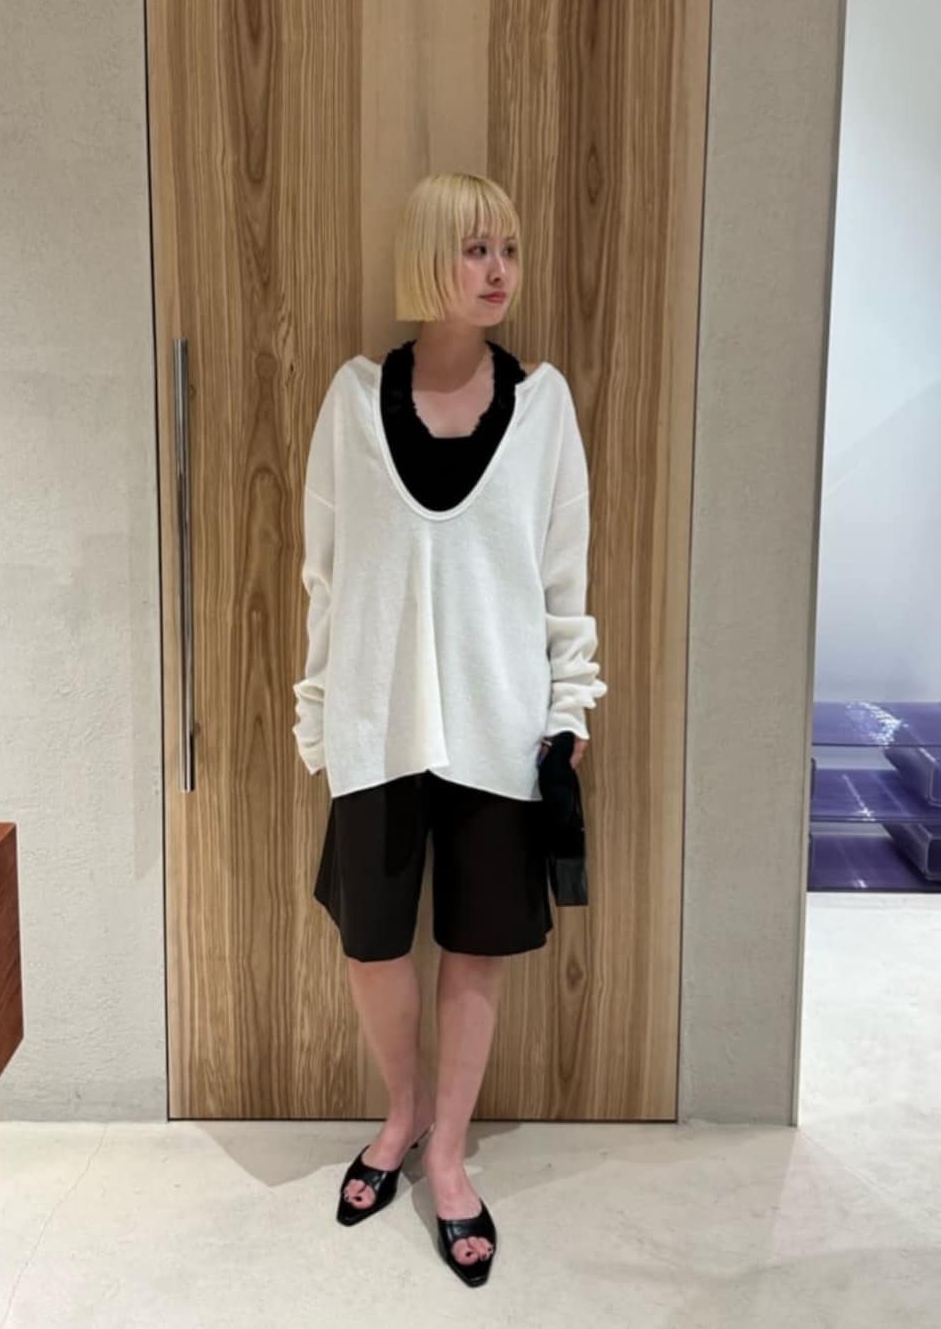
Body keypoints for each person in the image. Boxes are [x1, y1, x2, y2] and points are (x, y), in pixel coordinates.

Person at [292, 172, 607, 1288]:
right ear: (428, 256)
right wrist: (318, 712)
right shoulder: (350, 400)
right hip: (376, 721)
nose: (498, 270)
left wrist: (568, 704)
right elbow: (325, 575)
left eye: (508, 248)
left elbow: (562, 574)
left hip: (497, 723)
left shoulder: (545, 406)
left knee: (477, 943)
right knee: (372, 943)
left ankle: (446, 1153)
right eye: (476, 248)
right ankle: (401, 1111)